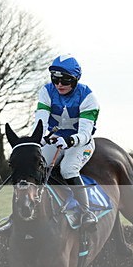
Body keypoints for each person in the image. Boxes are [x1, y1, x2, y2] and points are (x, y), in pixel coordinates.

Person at [34, 54, 101, 226]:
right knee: (37, 166)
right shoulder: (47, 91)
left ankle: (87, 212)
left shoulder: (87, 97)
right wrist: (40, 139)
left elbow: (85, 134)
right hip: (55, 139)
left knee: (68, 169)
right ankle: (25, 213)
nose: (59, 85)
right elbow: (40, 122)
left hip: (80, 142)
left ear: (76, 79)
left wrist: (70, 141)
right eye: (55, 79)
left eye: (65, 80)